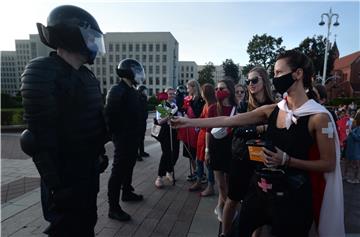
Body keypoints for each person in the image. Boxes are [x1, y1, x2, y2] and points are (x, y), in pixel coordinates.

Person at [172, 50, 345, 237]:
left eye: (279, 73)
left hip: (293, 201)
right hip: (260, 191)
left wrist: (287, 160)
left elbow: (329, 164)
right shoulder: (274, 110)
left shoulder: (318, 117)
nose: (275, 78)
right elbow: (228, 121)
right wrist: (187, 122)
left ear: (298, 74)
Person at [19, 5, 108, 236]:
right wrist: (56, 184)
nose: (94, 45)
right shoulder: (42, 71)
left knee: (88, 221)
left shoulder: (87, 76)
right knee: (66, 228)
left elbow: (95, 122)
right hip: (63, 175)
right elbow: (37, 139)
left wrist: (99, 153)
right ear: (71, 35)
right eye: (90, 38)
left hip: (87, 170)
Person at [221, 67, 274, 236]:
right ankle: (225, 233)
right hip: (241, 158)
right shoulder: (243, 105)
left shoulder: (274, 106)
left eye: (254, 80)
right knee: (233, 199)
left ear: (264, 81)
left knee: (258, 205)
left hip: (262, 161)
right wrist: (261, 128)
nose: (250, 84)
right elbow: (237, 131)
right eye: (248, 81)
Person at [106, 58, 145, 222]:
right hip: (123, 138)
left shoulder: (132, 90)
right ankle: (113, 208)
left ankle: (127, 192)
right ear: (128, 72)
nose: (138, 75)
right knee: (118, 171)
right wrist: (118, 137)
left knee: (129, 165)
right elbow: (110, 117)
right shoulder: (117, 90)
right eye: (136, 71)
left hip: (132, 137)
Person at [207, 79, 237, 222]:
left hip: (231, 148)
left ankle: (224, 206)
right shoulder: (213, 108)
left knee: (229, 181)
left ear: (230, 90)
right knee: (220, 183)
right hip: (215, 147)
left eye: (222, 88)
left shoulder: (237, 108)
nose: (218, 91)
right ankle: (227, 208)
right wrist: (207, 150)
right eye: (217, 88)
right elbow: (207, 130)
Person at [188, 83, 216, 196]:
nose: (201, 93)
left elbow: (208, 125)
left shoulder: (212, 106)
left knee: (208, 163)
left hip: (207, 137)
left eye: (203, 91)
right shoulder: (206, 105)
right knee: (199, 160)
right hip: (202, 136)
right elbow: (201, 118)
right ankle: (199, 181)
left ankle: (210, 186)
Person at [178, 80, 205, 182]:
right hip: (188, 128)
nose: (187, 89)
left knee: (197, 152)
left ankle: (201, 173)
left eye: (188, 87)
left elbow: (198, 113)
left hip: (196, 128)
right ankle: (195, 171)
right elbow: (184, 109)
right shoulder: (189, 98)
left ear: (194, 87)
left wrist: (190, 103)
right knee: (190, 153)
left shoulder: (200, 99)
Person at [154, 88, 180, 188]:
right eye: (170, 94)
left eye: (174, 94)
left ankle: (169, 171)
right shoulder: (161, 106)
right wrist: (170, 114)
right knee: (166, 153)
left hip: (175, 132)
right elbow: (160, 121)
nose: (172, 95)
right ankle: (159, 176)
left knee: (176, 153)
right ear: (166, 94)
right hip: (165, 133)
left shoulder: (175, 105)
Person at [345, 110, 360, 183]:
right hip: (350, 147)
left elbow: (358, 138)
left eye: (357, 114)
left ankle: (356, 178)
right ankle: (345, 176)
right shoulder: (354, 124)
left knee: (356, 164)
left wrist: (351, 132)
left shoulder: (359, 127)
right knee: (347, 162)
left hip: (355, 149)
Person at [137, 85, 150, 161]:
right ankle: (137, 154)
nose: (145, 92)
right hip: (138, 121)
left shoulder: (144, 98)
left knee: (142, 137)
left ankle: (142, 152)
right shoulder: (137, 98)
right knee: (138, 138)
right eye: (144, 91)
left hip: (143, 120)